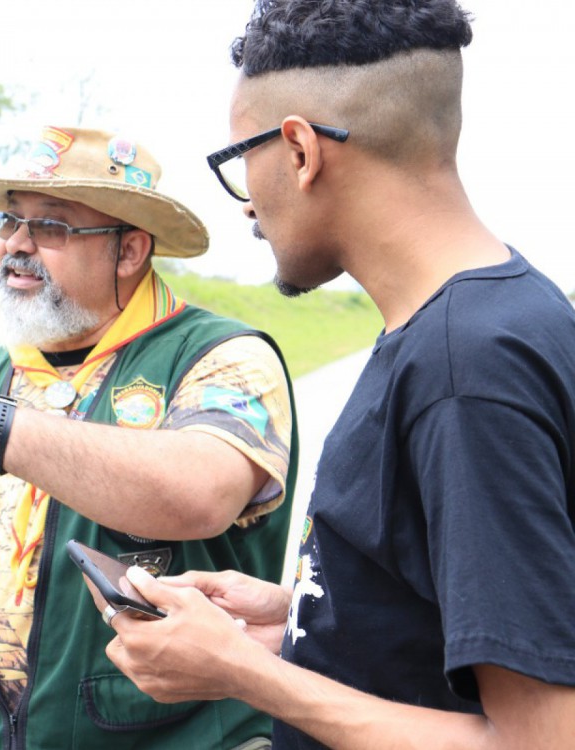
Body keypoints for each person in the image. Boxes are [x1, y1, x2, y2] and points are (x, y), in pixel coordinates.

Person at [104, 2, 575, 748]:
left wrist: (244, 674)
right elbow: (474, 621)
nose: (249, 206)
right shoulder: (502, 315)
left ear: (298, 149)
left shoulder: (464, 372)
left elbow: (541, 738)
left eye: (240, 164)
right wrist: (302, 617)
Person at [0, 126, 297, 748]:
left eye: (51, 227)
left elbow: (199, 492)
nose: (16, 247)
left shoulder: (221, 359)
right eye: (8, 221)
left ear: (129, 251)